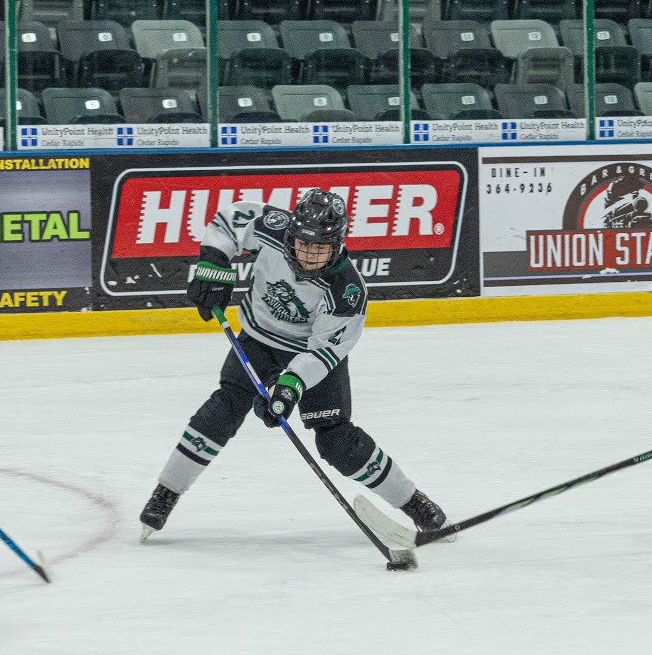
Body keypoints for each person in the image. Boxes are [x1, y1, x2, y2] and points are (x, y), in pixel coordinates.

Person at [139, 188, 449, 540]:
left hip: (309, 353)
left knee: (336, 441)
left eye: (320, 248)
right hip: (258, 340)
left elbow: (324, 352)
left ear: (337, 245)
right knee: (223, 408)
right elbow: (229, 220)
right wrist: (214, 262)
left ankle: (414, 502)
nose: (309, 255)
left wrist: (290, 385)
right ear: (292, 234)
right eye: (303, 244)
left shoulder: (347, 289)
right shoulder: (273, 227)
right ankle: (166, 491)